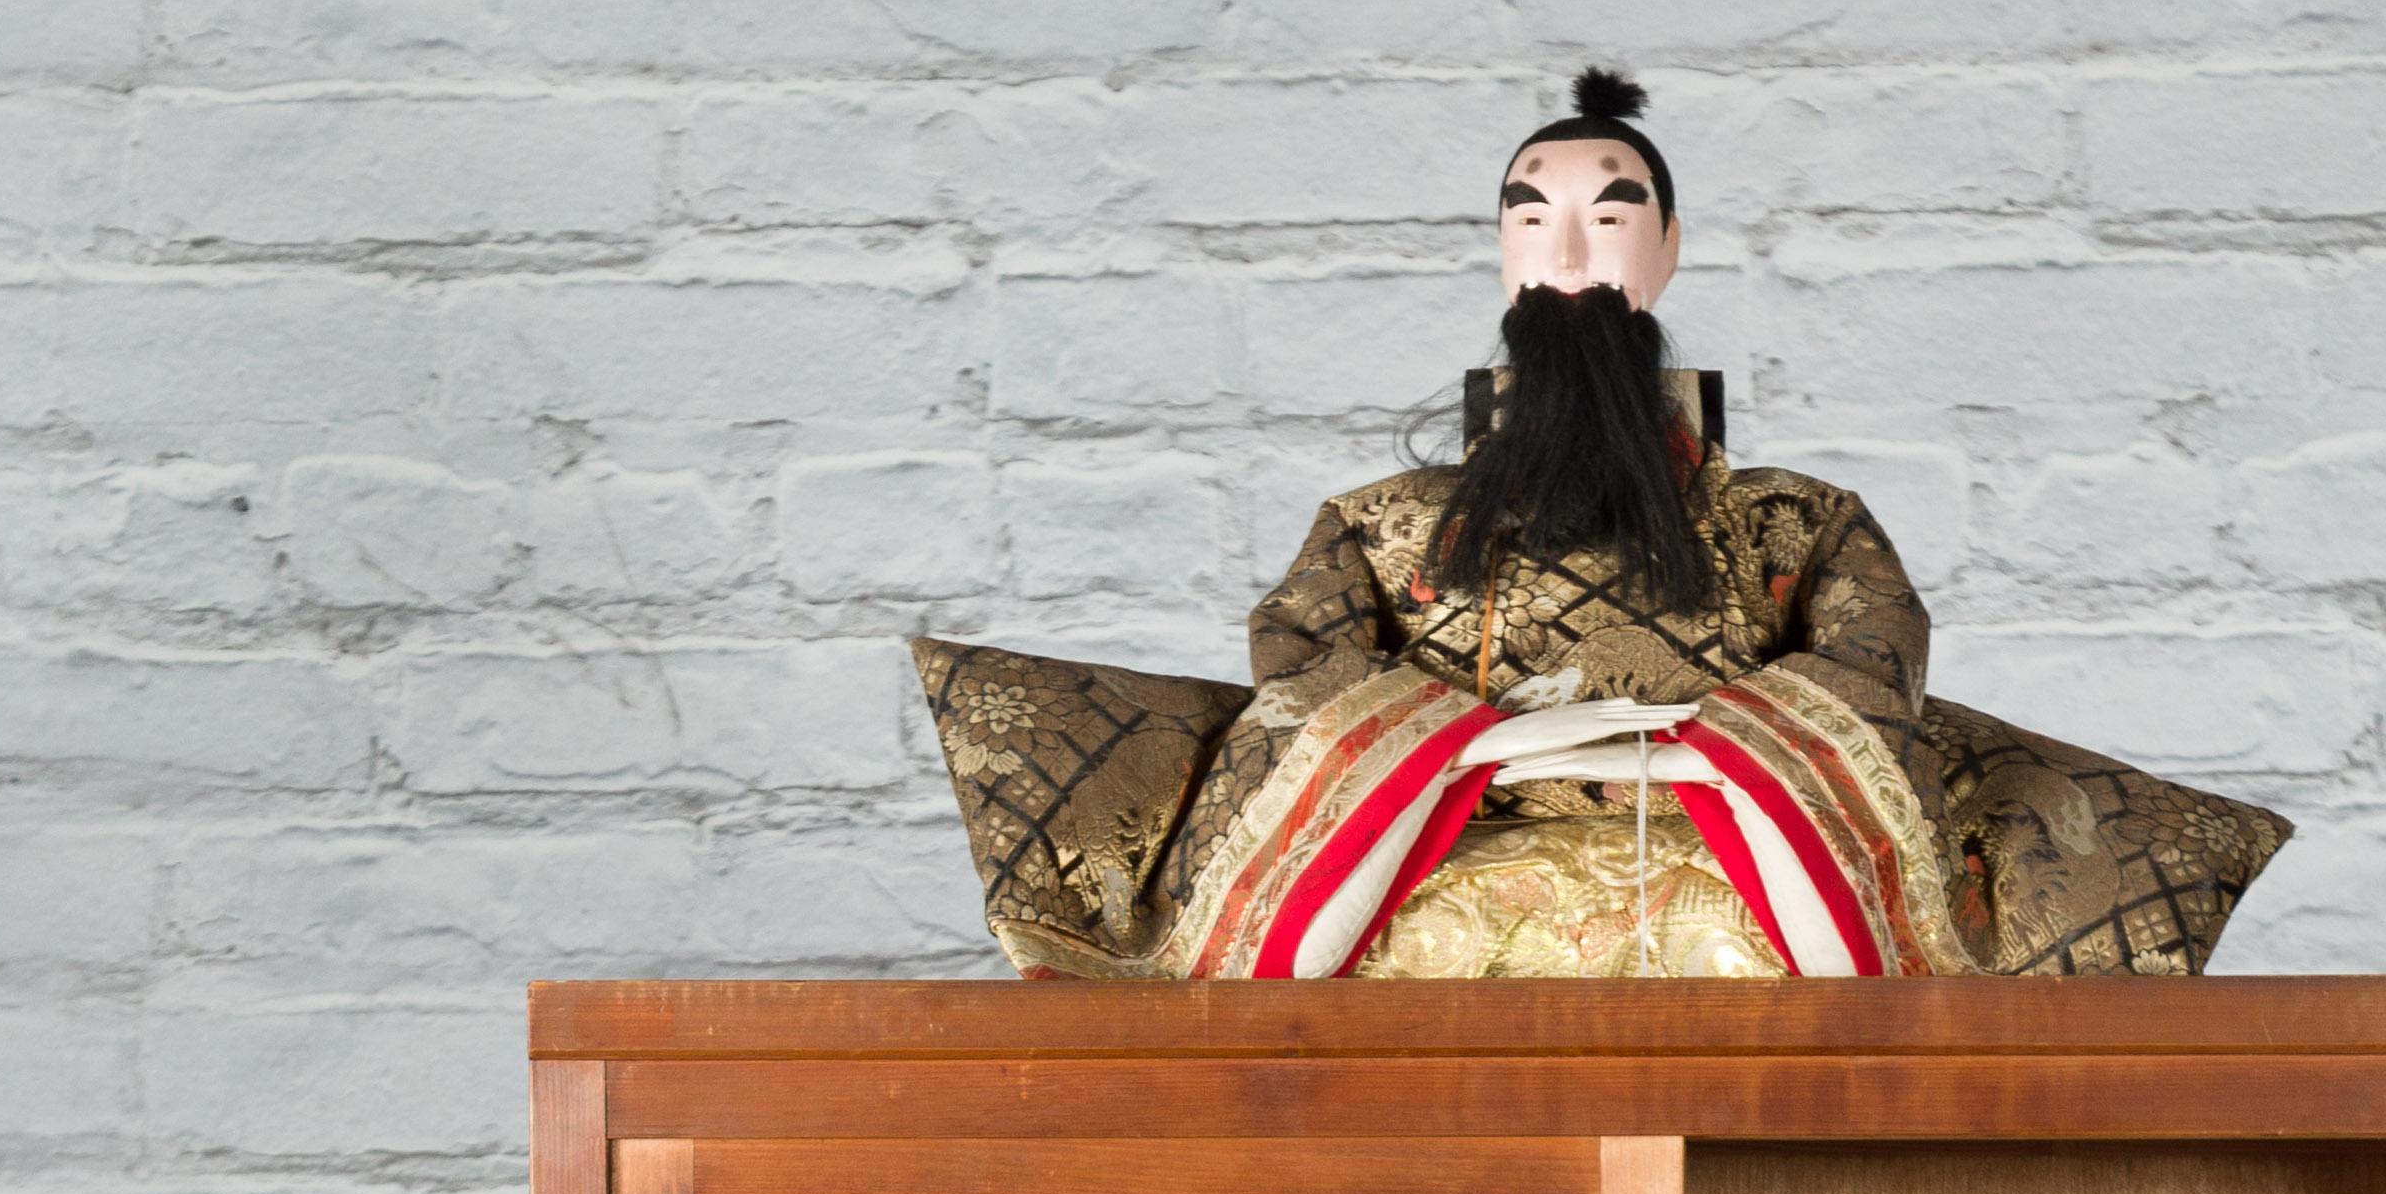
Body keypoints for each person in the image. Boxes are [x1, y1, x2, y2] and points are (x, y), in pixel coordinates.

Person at [915, 69, 2287, 983]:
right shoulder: (1379, 525)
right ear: (1502, 251)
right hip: (1417, 855)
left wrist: (1711, 758)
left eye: (1610, 212)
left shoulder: (1801, 521)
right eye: (1533, 214)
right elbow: (1305, 670)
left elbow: (1873, 668)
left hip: (1746, 859)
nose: (1569, 250)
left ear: (1670, 249)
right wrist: (1481, 744)